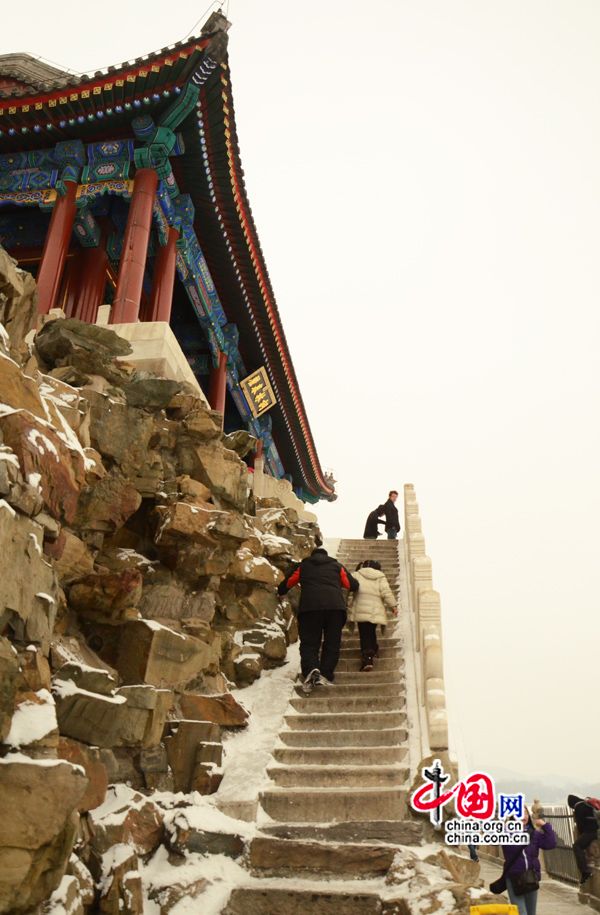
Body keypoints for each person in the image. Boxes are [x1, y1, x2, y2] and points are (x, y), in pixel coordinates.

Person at [278, 537, 358, 693]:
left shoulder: (304, 566)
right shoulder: (336, 565)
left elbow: (288, 583)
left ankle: (311, 669)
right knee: (332, 642)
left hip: (310, 609)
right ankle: (326, 674)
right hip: (335, 609)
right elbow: (352, 585)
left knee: (309, 643)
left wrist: (280, 591)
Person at [501, 806, 556, 915]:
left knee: (531, 913)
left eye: (525, 813)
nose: (523, 816)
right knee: (521, 912)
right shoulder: (506, 834)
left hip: (531, 877)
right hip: (514, 878)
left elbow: (551, 844)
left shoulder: (534, 834)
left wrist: (545, 826)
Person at [347, 559, 397, 671]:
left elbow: (347, 588)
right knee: (371, 630)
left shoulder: (356, 575)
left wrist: (345, 602)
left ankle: (367, 658)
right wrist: (393, 606)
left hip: (361, 608)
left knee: (364, 633)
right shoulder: (380, 576)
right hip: (375, 610)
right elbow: (386, 592)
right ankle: (373, 649)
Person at [568, 794, 598, 884]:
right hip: (596, 829)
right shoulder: (587, 804)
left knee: (577, 846)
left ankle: (585, 871)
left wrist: (581, 837)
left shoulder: (578, 808)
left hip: (591, 831)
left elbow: (580, 826)